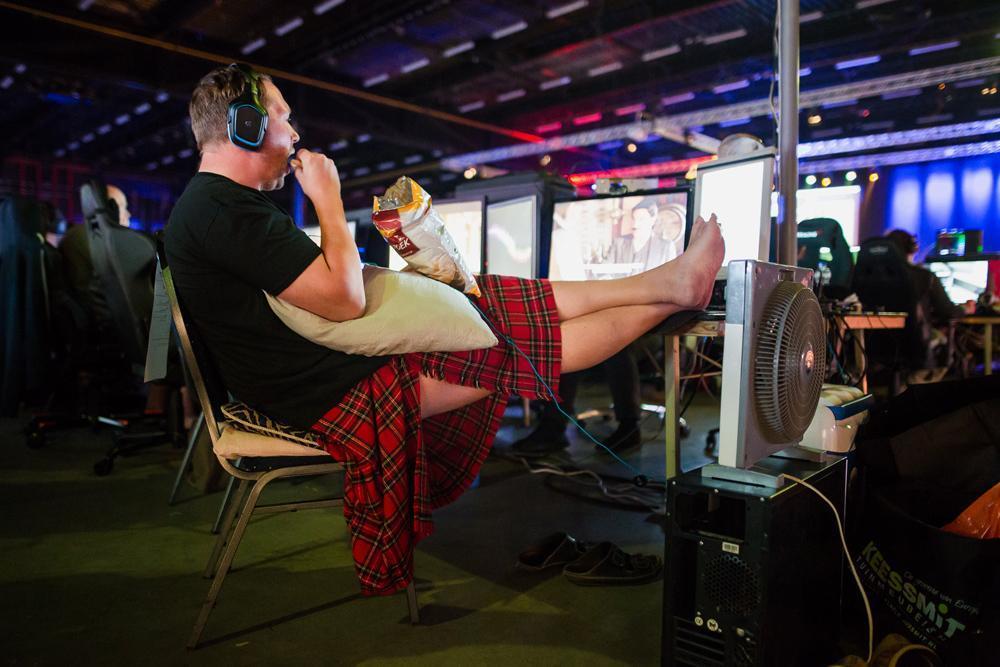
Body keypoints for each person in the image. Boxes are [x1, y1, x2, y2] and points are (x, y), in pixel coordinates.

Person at [164, 64, 724, 596]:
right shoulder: (225, 211)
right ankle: (672, 293)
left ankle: (666, 285)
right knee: (506, 337)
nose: (294, 133)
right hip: (330, 392)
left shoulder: (213, 206)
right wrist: (328, 200)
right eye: (283, 117)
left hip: (310, 378)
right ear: (245, 124)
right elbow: (343, 299)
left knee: (489, 300)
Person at [884, 229, 974, 383]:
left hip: (879, 347)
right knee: (950, 343)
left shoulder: (867, 277)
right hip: (916, 345)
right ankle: (917, 383)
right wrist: (967, 308)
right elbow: (948, 311)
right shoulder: (925, 276)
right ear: (911, 249)